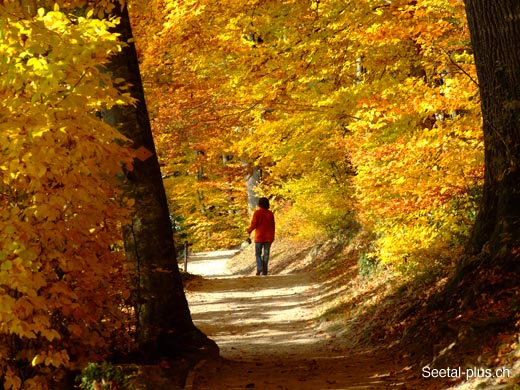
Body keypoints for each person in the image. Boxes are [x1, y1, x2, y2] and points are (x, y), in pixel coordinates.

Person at [247, 197, 275, 276]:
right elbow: (273, 226)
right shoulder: (270, 213)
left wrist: (249, 230)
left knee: (258, 253)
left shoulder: (257, 213)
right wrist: (273, 236)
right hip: (269, 237)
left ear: (259, 204)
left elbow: (254, 224)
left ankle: (259, 267)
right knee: (266, 254)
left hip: (259, 237)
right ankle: (264, 272)